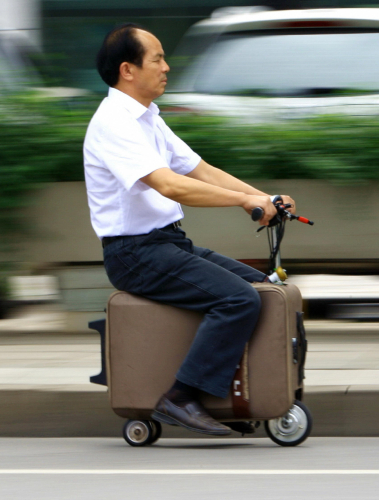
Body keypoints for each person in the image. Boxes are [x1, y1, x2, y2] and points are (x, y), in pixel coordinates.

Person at [84, 23, 296, 436]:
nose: (167, 66)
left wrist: (264, 197)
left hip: (167, 243)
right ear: (128, 70)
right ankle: (181, 397)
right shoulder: (114, 122)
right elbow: (169, 184)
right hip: (135, 254)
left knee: (261, 289)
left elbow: (199, 170)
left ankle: (236, 398)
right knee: (237, 300)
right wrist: (242, 202)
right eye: (158, 58)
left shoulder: (148, 119)